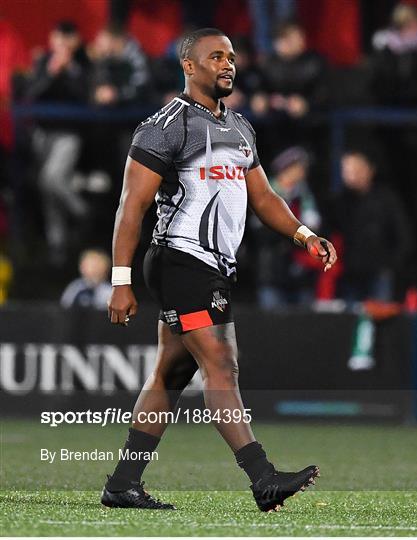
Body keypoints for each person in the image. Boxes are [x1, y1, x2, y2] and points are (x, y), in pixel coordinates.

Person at [103, 28, 337, 512]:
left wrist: (304, 235)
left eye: (231, 57)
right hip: (180, 258)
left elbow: (265, 198)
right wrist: (120, 281)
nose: (228, 64)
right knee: (221, 363)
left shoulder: (240, 127)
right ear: (189, 66)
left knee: (171, 373)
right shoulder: (165, 125)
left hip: (211, 265)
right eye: (216, 56)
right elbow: (132, 205)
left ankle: (123, 483)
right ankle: (262, 477)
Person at [26, 21, 90, 266]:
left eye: (67, 39)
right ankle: (57, 243)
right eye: (58, 39)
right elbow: (31, 95)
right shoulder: (43, 63)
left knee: (51, 179)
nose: (62, 44)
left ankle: (84, 213)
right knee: (48, 191)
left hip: (69, 133)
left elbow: (85, 97)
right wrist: (52, 72)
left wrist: (70, 70)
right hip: (43, 133)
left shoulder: (83, 64)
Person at [331, 150, 411, 303]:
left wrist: (391, 264)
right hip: (350, 274)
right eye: (347, 170)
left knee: (380, 319)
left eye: (357, 169)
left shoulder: (386, 199)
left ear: (370, 170)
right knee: (351, 321)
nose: (351, 175)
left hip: (379, 272)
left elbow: (403, 234)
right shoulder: (340, 202)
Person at [252, 146, 322, 308]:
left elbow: (315, 230)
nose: (302, 172)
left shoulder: (305, 196)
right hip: (271, 272)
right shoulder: (265, 194)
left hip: (300, 273)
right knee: (273, 326)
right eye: (297, 168)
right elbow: (260, 232)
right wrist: (293, 230)